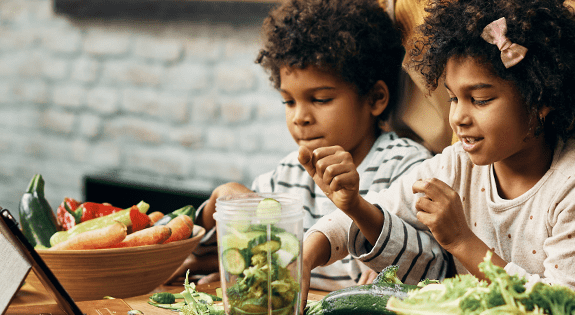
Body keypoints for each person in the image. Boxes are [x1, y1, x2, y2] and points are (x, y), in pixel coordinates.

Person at [300, 0, 575, 303]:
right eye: (453, 98)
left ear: (540, 99)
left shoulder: (574, 188)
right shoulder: (455, 166)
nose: (458, 118)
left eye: (480, 99)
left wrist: (463, 241)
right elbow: (364, 217)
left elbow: (566, 308)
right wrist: (304, 259)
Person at [172, 0, 432, 290]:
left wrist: (387, 260)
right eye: (289, 101)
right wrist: (216, 206)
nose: (300, 117)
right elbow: (196, 255)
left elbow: (433, 261)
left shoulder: (408, 167)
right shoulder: (286, 176)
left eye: (320, 99)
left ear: (374, 98)